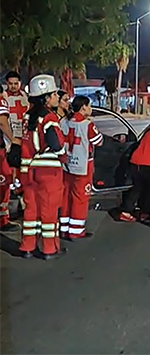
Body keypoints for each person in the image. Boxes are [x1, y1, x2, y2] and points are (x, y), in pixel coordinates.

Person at [18, 75, 66, 260]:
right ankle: (49, 249)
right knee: (49, 211)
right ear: (46, 97)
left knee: (31, 211)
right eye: (54, 94)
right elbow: (55, 143)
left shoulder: (28, 116)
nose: (56, 97)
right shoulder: (49, 118)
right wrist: (63, 154)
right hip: (49, 172)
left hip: (30, 170)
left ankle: (27, 247)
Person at [60, 96, 103, 240]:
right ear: (83, 107)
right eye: (89, 106)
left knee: (66, 197)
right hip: (83, 166)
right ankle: (76, 231)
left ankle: (64, 228)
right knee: (80, 199)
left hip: (67, 165)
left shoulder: (64, 122)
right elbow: (99, 141)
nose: (90, 109)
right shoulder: (87, 124)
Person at [0, 85, 21, 231]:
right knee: (4, 182)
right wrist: (14, 139)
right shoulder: (1, 101)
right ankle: (2, 220)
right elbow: (2, 122)